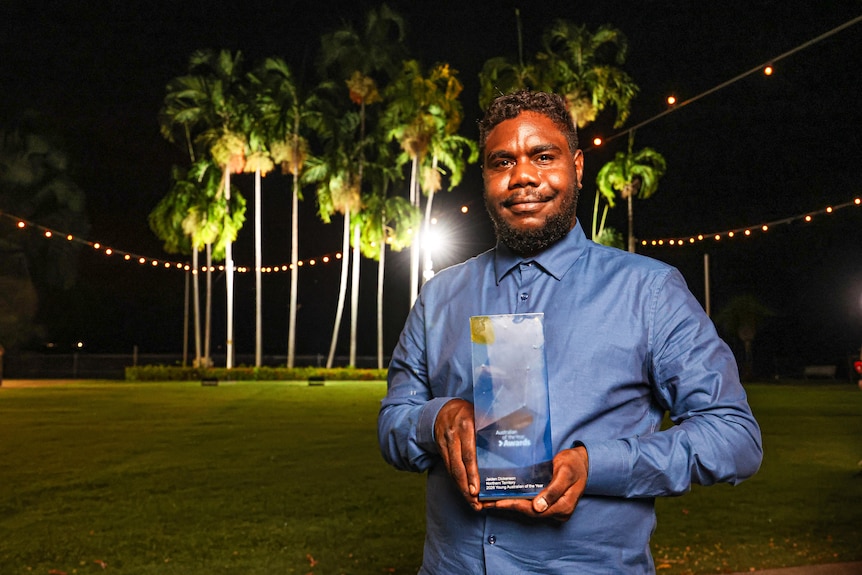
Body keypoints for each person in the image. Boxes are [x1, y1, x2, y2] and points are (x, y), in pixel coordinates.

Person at [378, 90, 763, 573]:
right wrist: (434, 421)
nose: (522, 176)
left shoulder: (650, 291)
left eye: (543, 156)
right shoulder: (440, 297)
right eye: (502, 161)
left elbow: (735, 436)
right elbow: (393, 420)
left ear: (577, 167)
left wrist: (595, 464)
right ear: (486, 178)